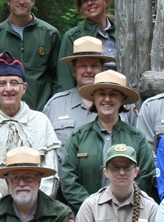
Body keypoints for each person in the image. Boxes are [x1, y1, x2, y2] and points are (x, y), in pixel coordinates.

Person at [58, 70, 154, 210]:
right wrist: (92, 207)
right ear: (94, 98)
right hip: (86, 215)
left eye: (113, 94)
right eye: (102, 93)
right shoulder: (78, 137)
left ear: (122, 99)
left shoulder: (137, 138)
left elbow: (146, 175)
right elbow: (68, 179)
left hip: (128, 213)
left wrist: (125, 203)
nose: (107, 99)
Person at [0, 55, 60, 197]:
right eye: (2, 83)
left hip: (37, 209)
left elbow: (50, 172)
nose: (8, 89)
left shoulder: (41, 122)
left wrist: (37, 206)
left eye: (14, 82)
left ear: (24, 88)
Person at [0, 0, 61, 110]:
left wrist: (54, 108)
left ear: (33, 0)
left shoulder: (49, 34)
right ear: (8, 0)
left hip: (42, 113)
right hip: (4, 114)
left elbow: (58, 77)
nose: (21, 1)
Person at [43, 36, 118, 148]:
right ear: (74, 70)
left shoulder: (121, 104)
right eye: (83, 65)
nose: (88, 70)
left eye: (94, 66)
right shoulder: (55, 105)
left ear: (102, 69)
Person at [56, 0, 117, 91]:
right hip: (87, 99)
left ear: (106, 1)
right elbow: (65, 79)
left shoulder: (123, 32)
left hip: (121, 96)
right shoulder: (73, 37)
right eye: (84, 0)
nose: (90, 3)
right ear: (80, 8)